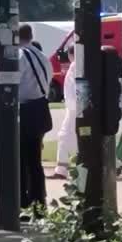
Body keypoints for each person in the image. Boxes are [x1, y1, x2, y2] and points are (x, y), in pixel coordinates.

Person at [17, 24, 52, 209]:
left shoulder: (21, 56)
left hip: (25, 110)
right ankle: (39, 201)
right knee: (35, 160)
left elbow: (12, 82)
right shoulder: (42, 57)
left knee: (22, 160)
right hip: (40, 107)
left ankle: (24, 202)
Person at [52, 46, 78, 179]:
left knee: (63, 136)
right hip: (77, 108)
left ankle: (61, 169)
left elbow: (73, 91)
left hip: (74, 109)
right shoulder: (82, 65)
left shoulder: (74, 67)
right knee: (77, 138)